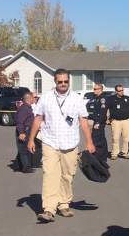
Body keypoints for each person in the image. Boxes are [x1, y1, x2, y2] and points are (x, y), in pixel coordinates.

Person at [28, 68, 94, 222]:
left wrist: (89, 141)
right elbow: (38, 118)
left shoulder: (77, 99)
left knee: (67, 175)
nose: (63, 84)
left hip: (70, 144)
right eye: (60, 81)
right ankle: (49, 209)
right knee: (50, 175)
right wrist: (31, 139)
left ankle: (63, 204)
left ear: (68, 81)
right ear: (55, 82)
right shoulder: (46, 98)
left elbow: (83, 121)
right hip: (50, 142)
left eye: (66, 81)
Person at [106, 84, 129, 160]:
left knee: (127, 138)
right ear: (116, 91)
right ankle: (114, 153)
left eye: (122, 90)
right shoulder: (111, 99)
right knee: (115, 138)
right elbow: (107, 109)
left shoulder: (127, 98)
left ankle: (125, 153)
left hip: (126, 121)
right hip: (115, 121)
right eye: (119, 90)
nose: (121, 92)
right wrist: (107, 118)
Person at [15, 91, 40, 173]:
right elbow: (19, 121)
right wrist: (21, 132)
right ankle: (26, 168)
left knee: (24, 149)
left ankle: (17, 165)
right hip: (24, 131)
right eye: (33, 97)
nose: (35, 99)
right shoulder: (24, 109)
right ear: (29, 99)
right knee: (24, 150)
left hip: (28, 130)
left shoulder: (28, 108)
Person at [86, 83, 109, 158]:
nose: (94, 91)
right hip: (95, 120)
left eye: (96, 89)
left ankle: (98, 155)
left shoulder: (102, 99)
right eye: (94, 89)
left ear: (101, 89)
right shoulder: (95, 98)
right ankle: (102, 155)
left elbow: (103, 112)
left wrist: (98, 122)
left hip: (99, 121)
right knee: (101, 138)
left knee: (96, 138)